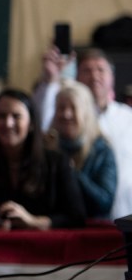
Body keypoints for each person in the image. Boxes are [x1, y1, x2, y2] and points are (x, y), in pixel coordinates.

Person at [0, 89, 85, 230]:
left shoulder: (57, 163)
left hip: (43, 250)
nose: (8, 123)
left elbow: (76, 217)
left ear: (31, 123)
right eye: (1, 116)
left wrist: (34, 222)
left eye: (16, 116)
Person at [33, 47, 132, 218]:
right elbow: (41, 121)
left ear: (112, 77)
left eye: (101, 70)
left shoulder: (127, 116)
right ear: (77, 77)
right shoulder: (64, 120)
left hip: (124, 211)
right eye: (87, 70)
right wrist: (51, 79)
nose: (94, 76)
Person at [47, 80, 117, 220]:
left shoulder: (102, 151)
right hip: (52, 230)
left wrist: (70, 171)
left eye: (73, 108)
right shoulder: (45, 147)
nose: (66, 114)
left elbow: (103, 203)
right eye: (61, 108)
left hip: (92, 232)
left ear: (86, 112)